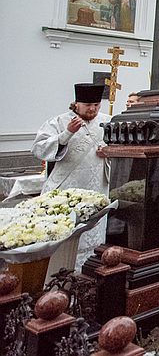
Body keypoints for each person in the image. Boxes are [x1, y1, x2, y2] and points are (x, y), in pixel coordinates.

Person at [31, 83, 110, 268]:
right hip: (66, 189)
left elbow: (123, 149)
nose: (92, 109)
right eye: (88, 105)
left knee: (93, 236)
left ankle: (90, 273)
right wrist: (66, 134)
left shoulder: (108, 121)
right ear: (76, 104)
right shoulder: (58, 122)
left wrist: (109, 152)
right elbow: (38, 149)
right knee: (64, 235)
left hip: (97, 187)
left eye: (96, 105)